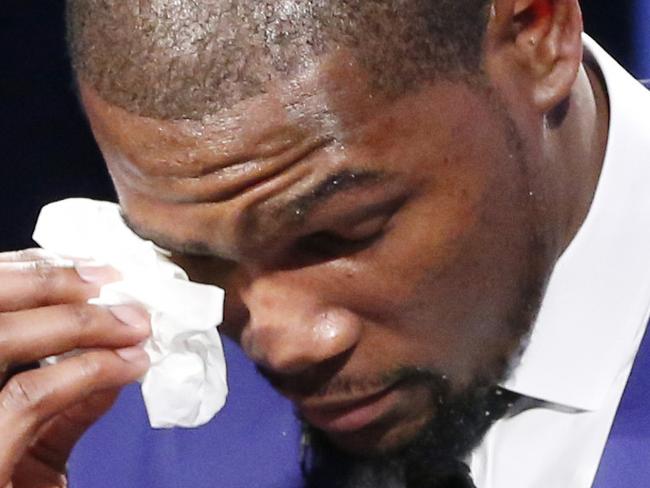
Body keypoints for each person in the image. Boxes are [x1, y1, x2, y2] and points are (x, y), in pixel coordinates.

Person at [1, 0, 649, 487]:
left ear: (537, 35)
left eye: (341, 235)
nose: (283, 344)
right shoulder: (96, 432)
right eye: (196, 260)